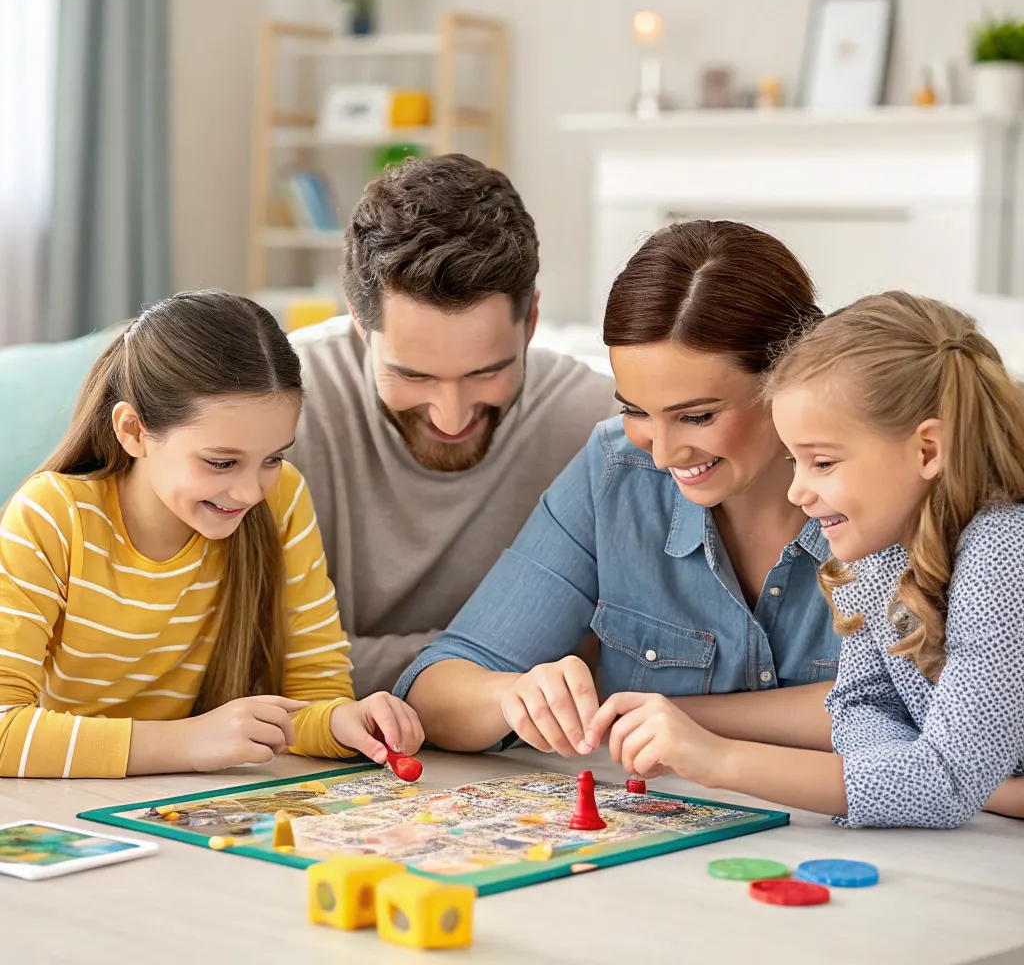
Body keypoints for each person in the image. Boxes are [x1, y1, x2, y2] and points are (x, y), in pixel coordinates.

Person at [397, 219, 842, 754]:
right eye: (635, 410)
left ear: (790, 375)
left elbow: (939, 726)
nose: (661, 453)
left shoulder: (889, 486)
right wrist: (515, 695)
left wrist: (675, 719)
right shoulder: (615, 471)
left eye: (697, 416)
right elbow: (434, 690)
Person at [587, 292, 1024, 826]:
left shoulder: (1002, 554)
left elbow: (948, 784)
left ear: (927, 450)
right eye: (795, 461)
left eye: (822, 462)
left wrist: (719, 758)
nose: (797, 492)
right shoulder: (877, 552)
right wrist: (920, 775)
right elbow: (862, 706)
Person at [0, 291, 422, 778]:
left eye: (272, 458)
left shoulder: (282, 499)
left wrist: (339, 721)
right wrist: (189, 742)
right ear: (134, 431)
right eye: (221, 462)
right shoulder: (53, 515)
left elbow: (311, 695)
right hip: (62, 803)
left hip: (181, 801)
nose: (249, 492)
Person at [287, 154, 616, 695]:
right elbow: (255, 662)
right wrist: (504, 670)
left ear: (531, 321)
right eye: (412, 376)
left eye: (488, 372)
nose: (452, 415)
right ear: (359, 322)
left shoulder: (596, 424)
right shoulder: (280, 412)